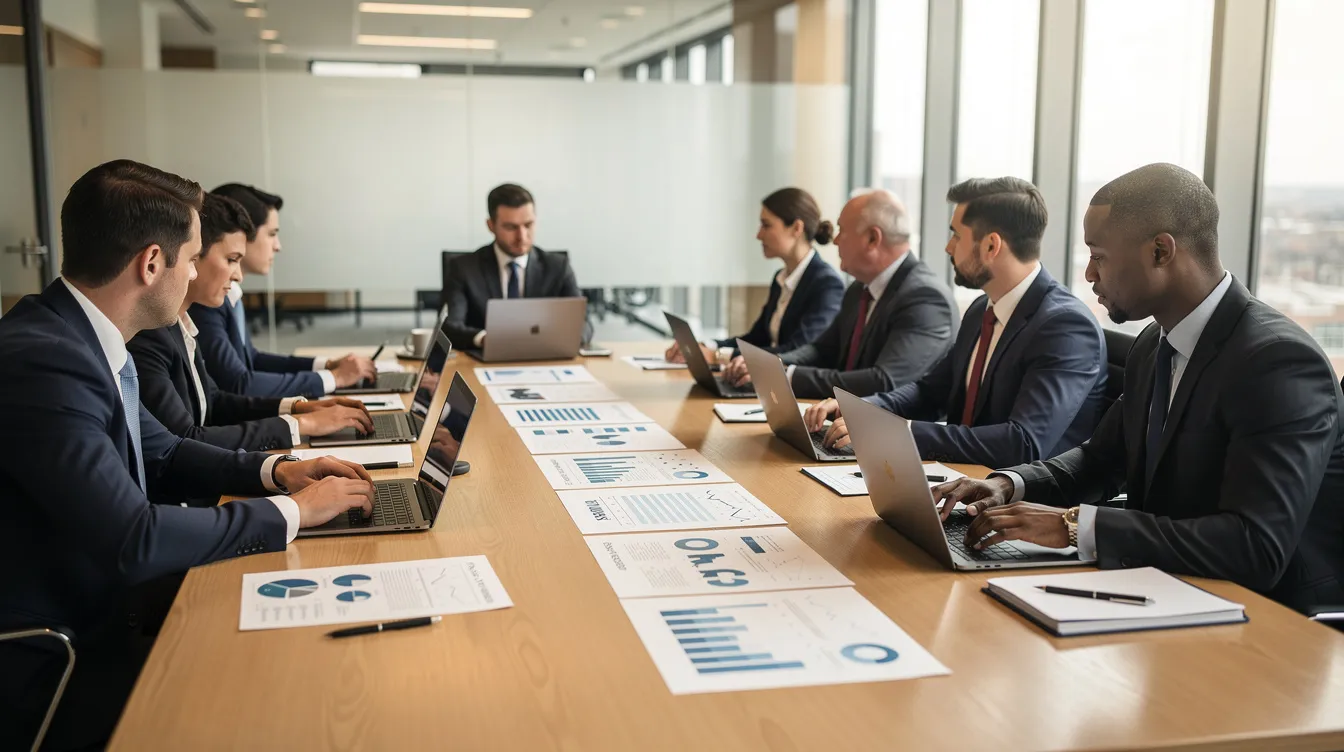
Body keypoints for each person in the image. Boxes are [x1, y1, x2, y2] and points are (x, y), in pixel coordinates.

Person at [0, 160, 376, 750]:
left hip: (109, 605)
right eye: (194, 257)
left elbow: (167, 451)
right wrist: (297, 513)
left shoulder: (80, 336)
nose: (202, 275)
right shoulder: (47, 362)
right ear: (153, 264)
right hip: (64, 651)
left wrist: (280, 472)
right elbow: (134, 540)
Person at [933, 163, 1344, 613]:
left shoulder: (1278, 363)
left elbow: (1254, 547)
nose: (1089, 274)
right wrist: (1009, 485)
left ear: (1160, 252)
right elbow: (1099, 459)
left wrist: (1075, 526)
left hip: (1270, 620)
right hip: (1168, 589)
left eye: (1098, 255)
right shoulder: (1156, 342)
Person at [802, 177, 1107, 467]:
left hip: (1022, 506)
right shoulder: (981, 310)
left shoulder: (1065, 326)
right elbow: (930, 392)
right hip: (962, 483)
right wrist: (860, 410)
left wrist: (897, 432)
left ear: (991, 246)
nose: (949, 247)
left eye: (957, 235)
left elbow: (1022, 443)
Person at [129, 192, 375, 455]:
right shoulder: (154, 333)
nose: (238, 275)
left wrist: (298, 409)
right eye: (231, 259)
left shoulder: (180, 325)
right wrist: (300, 422)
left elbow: (215, 400)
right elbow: (185, 440)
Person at [723, 189, 957, 399]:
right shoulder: (859, 289)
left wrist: (787, 376)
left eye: (842, 231)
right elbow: (821, 349)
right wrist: (769, 366)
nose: (834, 241)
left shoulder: (925, 298)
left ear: (872, 239)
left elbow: (884, 381)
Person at [191, 183, 376, 398]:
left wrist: (327, 366)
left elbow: (252, 359)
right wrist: (335, 378)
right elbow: (239, 383)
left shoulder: (229, 293)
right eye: (271, 234)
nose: (278, 246)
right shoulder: (206, 301)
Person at [664, 187, 845, 364]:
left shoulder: (827, 284)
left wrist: (719, 355)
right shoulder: (781, 278)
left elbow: (797, 350)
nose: (759, 235)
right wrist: (705, 346)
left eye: (766, 225)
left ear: (796, 228)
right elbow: (756, 339)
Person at [441, 183, 582, 351]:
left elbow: (583, 324)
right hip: (483, 361)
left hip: (546, 357)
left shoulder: (558, 267)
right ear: (491, 226)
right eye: (511, 227)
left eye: (528, 225)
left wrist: (563, 338)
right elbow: (449, 327)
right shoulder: (463, 268)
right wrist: (486, 339)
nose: (521, 236)